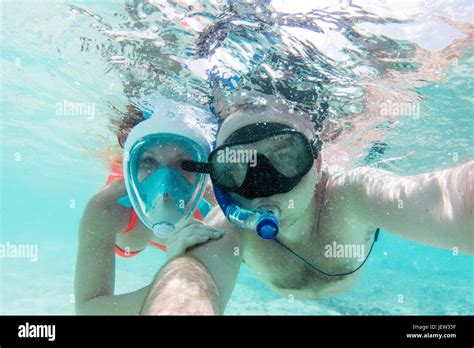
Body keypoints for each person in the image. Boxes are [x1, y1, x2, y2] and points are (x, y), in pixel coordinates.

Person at [140, 96, 473, 315]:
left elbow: (451, 202)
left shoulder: (351, 195)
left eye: (285, 156)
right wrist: (181, 272)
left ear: (318, 162)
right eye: (237, 166)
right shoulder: (229, 226)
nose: (261, 187)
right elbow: (192, 280)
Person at [74, 98, 222, 315]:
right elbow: (88, 310)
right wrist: (173, 275)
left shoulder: (213, 206)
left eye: (184, 164)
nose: (165, 184)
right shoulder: (107, 207)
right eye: (149, 162)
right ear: (131, 166)